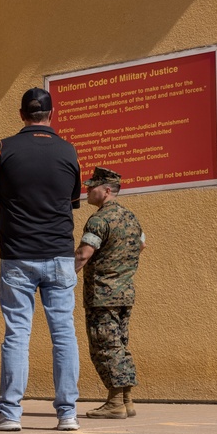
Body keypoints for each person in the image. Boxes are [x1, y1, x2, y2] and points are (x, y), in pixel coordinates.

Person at [0, 87, 82, 431]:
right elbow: (70, 202)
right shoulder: (69, 151)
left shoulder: (4, 147)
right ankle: (67, 414)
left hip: (18, 256)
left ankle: (9, 413)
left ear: (22, 114)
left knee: (17, 335)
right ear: (51, 115)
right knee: (64, 333)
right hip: (59, 256)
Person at [74, 166, 145, 419]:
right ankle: (126, 400)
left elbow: (84, 253)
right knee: (120, 345)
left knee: (106, 347)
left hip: (102, 295)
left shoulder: (100, 219)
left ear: (106, 191)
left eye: (91, 187)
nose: (87, 190)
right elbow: (142, 243)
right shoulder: (130, 217)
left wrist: (65, 278)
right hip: (125, 293)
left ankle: (115, 403)